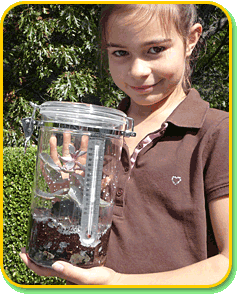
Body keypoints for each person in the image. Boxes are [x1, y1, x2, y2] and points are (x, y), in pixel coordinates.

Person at [20, 4, 229, 285]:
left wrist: (116, 283)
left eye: (155, 50)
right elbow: (85, 236)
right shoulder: (97, 136)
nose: (137, 70)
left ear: (191, 40)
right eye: (120, 53)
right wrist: (65, 194)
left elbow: (230, 266)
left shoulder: (220, 133)